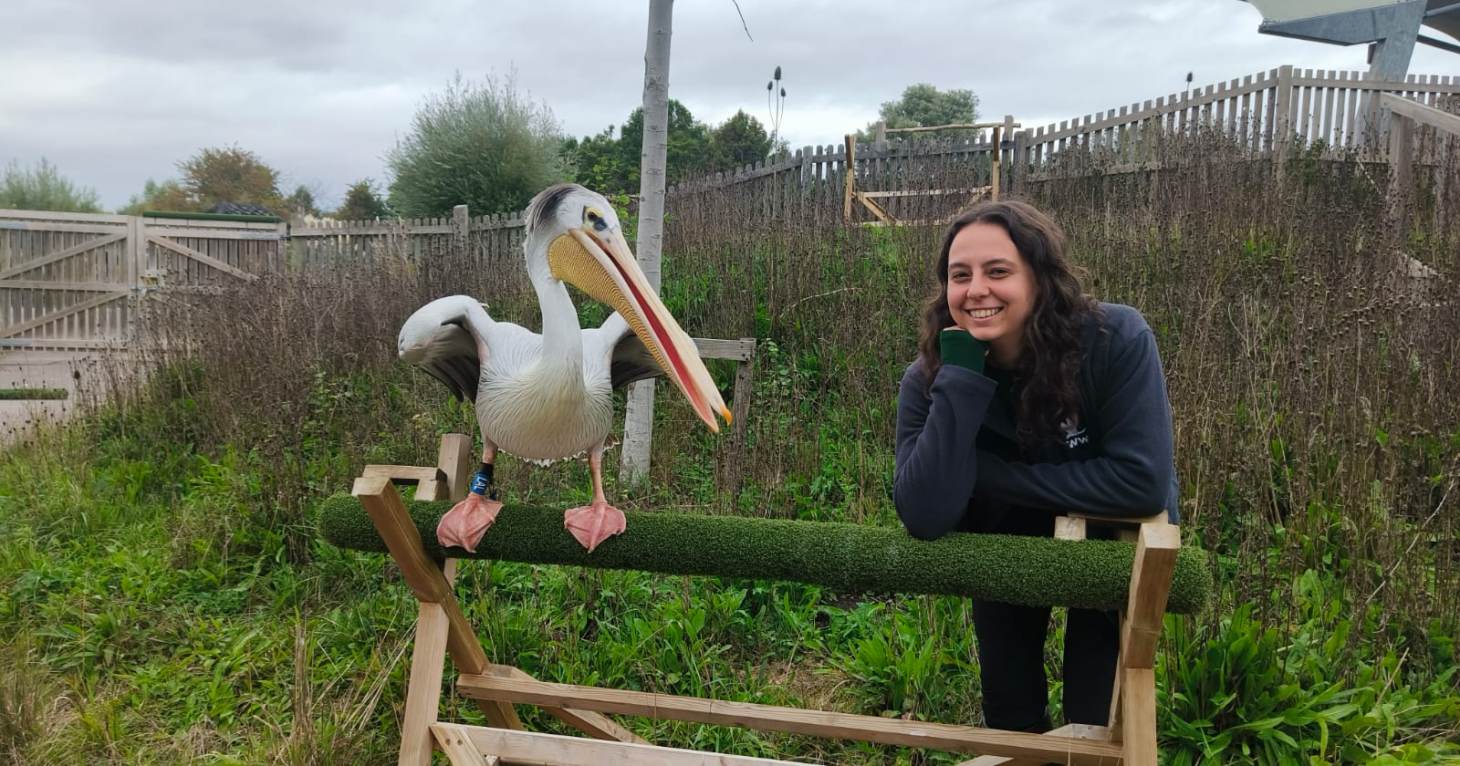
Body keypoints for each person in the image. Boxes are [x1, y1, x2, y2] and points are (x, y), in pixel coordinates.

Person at [892, 199, 1179, 733]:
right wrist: (962, 376)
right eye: (960, 275)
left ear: (1041, 279)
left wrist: (984, 474)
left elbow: (1141, 483)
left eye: (998, 271)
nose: (976, 290)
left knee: (1096, 714)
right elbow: (925, 513)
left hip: (1109, 535)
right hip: (1005, 536)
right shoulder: (929, 377)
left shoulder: (1114, 340)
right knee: (1010, 712)